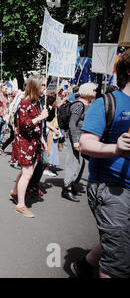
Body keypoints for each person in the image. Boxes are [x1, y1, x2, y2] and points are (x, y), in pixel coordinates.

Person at [72, 49, 130, 278]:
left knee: (120, 241)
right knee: (118, 266)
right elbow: (85, 143)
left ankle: (85, 266)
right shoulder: (107, 102)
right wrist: (116, 148)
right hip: (113, 188)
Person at [9, 75, 48, 218]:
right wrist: (40, 117)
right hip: (25, 142)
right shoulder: (24, 102)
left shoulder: (37, 102)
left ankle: (14, 192)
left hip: (33, 142)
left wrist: (42, 138)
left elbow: (37, 125)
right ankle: (20, 205)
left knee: (26, 171)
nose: (45, 88)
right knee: (28, 173)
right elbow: (25, 124)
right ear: (35, 86)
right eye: (43, 85)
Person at [62, 82, 97, 202]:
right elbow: (72, 123)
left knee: (80, 163)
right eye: (94, 90)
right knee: (73, 163)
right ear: (87, 92)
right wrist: (75, 141)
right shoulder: (79, 105)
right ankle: (67, 189)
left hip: (82, 138)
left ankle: (72, 184)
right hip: (75, 137)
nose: (95, 92)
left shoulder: (89, 104)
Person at [0, 90, 23, 155]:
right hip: (13, 123)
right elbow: (14, 115)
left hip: (11, 122)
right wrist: (14, 126)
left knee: (12, 137)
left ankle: (2, 148)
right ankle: (16, 153)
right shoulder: (14, 104)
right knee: (16, 138)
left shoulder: (12, 103)